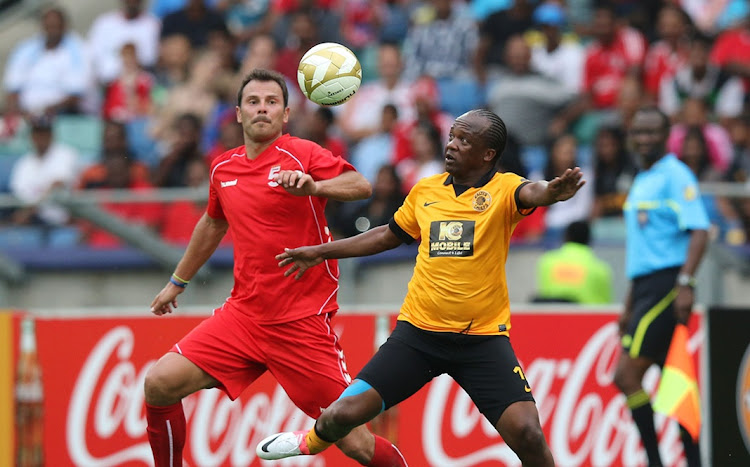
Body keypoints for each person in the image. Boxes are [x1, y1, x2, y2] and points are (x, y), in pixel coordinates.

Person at [257, 108, 586, 466]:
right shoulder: (426, 191)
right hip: (418, 338)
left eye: (464, 140)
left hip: (482, 341)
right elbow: (388, 235)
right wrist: (320, 252)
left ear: (488, 155)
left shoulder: (504, 189)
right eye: (452, 137)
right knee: (339, 416)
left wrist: (552, 193)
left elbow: (532, 192)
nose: (452, 145)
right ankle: (311, 442)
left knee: (529, 434)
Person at [143, 69, 407, 467]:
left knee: (355, 443)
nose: (261, 109)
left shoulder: (302, 153)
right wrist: (177, 281)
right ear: (237, 113)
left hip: (300, 323)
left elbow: (360, 185)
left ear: (284, 114)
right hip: (243, 317)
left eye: (271, 102)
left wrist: (315, 186)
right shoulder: (223, 169)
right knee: (159, 384)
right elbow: (213, 222)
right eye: (253, 102)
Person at [614, 107, 709, 467]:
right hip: (643, 288)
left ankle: (655, 462)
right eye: (639, 131)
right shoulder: (642, 178)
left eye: (653, 132)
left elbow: (699, 230)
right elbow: (642, 249)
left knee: (626, 375)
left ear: (667, 134)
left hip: (667, 285)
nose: (645, 138)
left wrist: (685, 283)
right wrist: (627, 305)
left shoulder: (676, 175)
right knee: (674, 380)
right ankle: (694, 461)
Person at [534, 220, 613, 304]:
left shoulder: (546, 262)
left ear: (566, 237)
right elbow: (605, 305)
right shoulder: (600, 268)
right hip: (586, 316)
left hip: (552, 315)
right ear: (589, 239)